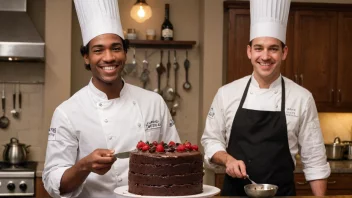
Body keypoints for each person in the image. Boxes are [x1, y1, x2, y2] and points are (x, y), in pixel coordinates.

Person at [42, 0, 180, 197]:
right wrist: (84, 166)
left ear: (125, 52)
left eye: (116, 48)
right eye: (98, 50)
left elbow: (174, 161)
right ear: (87, 57)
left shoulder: (154, 102)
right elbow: (54, 183)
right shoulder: (67, 112)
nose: (109, 58)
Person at [201, 0, 330, 196]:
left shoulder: (302, 98)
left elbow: (315, 159)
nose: (265, 56)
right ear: (249, 51)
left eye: (273, 48)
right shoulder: (227, 94)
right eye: (259, 48)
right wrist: (228, 160)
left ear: (284, 52)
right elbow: (211, 140)